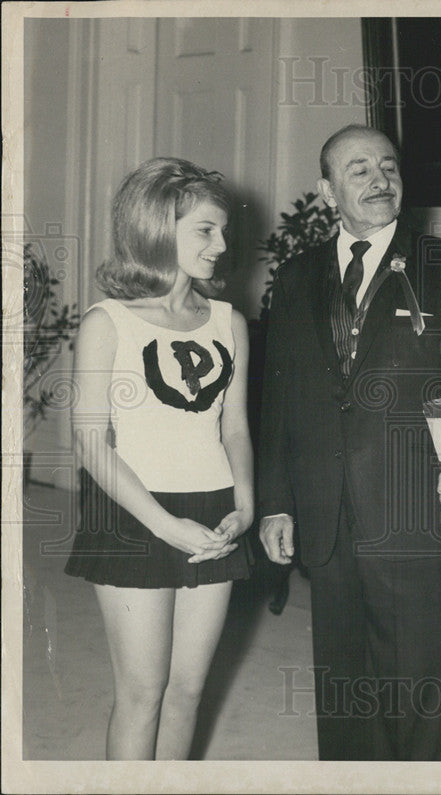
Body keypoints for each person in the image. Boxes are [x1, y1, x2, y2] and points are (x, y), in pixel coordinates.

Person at [257, 124, 441, 760]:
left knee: (415, 700)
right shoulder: (295, 278)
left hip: (414, 516)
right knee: (343, 695)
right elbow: (277, 402)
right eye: (359, 170)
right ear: (327, 190)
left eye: (388, 167)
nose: (379, 180)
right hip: (326, 517)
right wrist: (276, 501)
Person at [64, 157, 254, 759]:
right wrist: (163, 524)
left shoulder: (228, 321)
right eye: (206, 230)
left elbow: (235, 426)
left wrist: (245, 505)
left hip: (214, 509)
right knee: (143, 692)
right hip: (132, 512)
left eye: (223, 229)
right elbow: (90, 441)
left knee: (187, 690)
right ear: (155, 228)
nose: (222, 244)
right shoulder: (107, 323)